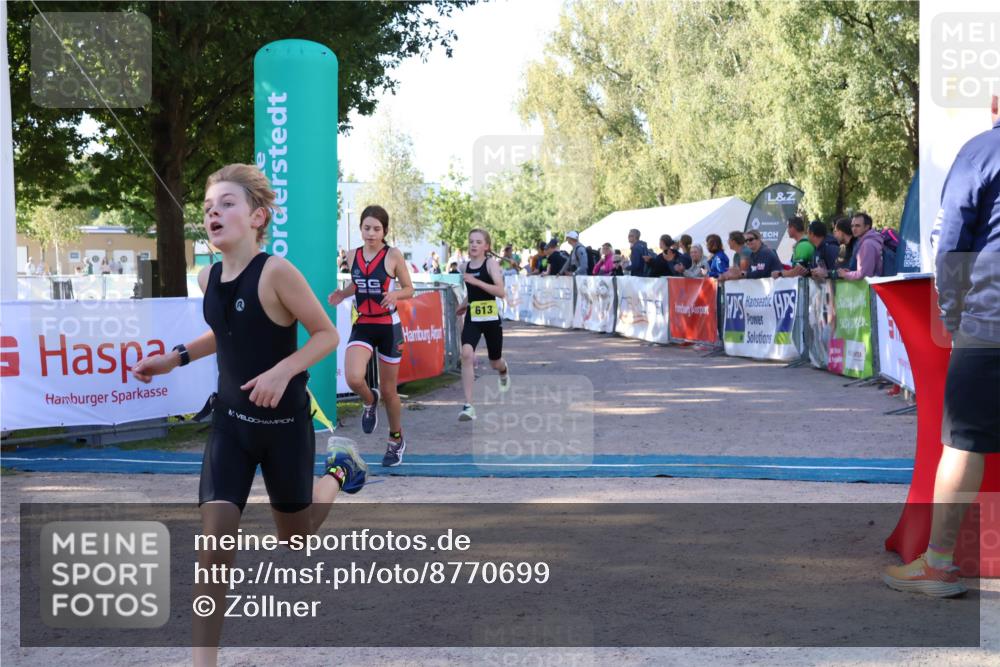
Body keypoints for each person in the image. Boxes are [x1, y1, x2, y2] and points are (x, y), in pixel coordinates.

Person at [130, 164, 365, 667]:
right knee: (214, 544)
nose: (214, 210)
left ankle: (340, 471)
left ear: (257, 217)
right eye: (209, 205)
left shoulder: (277, 271)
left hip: (284, 428)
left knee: (296, 538)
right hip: (231, 428)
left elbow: (324, 334)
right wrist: (174, 358)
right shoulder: (206, 275)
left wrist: (284, 371)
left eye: (227, 203)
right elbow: (227, 330)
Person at [883, 95, 1000, 598]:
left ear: (996, 103)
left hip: (990, 323)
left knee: (962, 444)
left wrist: (951, 315)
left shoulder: (980, 152)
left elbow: (950, 241)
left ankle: (939, 565)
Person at [328, 205, 415, 467]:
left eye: (377, 229)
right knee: (354, 378)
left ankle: (396, 440)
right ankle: (369, 399)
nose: (371, 233)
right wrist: (342, 294)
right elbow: (358, 282)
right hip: (363, 322)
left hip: (388, 325)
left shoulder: (393, 255)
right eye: (366, 228)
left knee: (390, 390)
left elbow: (409, 289)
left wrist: (396, 294)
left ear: (385, 231)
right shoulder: (353, 255)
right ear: (360, 229)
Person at [456, 228, 510, 421]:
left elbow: (500, 291)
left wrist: (476, 282)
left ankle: (504, 370)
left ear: (486, 246)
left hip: (491, 319)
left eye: (478, 242)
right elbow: (472, 293)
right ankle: (469, 405)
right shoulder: (465, 266)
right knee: (466, 354)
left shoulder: (491, 264)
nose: (473, 245)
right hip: (473, 317)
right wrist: (463, 305)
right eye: (471, 241)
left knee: (495, 362)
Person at [837, 212, 883, 280]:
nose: (854, 229)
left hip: (871, 288)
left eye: (857, 226)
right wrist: (850, 273)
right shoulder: (870, 241)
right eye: (852, 226)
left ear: (867, 227)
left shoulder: (868, 244)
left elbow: (865, 275)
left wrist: (846, 275)